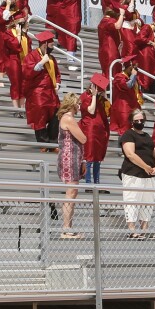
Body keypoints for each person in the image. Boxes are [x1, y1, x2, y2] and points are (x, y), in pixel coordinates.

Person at [119, 105, 155, 238]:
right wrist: (145, 166)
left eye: (142, 120)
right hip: (134, 173)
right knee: (132, 200)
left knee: (147, 202)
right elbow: (130, 154)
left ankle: (144, 229)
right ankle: (132, 230)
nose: (140, 122)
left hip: (149, 175)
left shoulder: (147, 135)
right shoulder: (128, 134)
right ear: (132, 121)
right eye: (137, 120)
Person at [24, 31, 62, 149]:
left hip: (51, 92)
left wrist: (58, 84)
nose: (53, 47)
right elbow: (27, 72)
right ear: (45, 44)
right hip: (38, 92)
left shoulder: (52, 58)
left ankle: (53, 141)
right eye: (51, 45)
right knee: (39, 116)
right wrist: (41, 63)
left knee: (57, 114)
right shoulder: (32, 56)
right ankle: (43, 143)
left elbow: (57, 74)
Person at [57, 94, 87, 238]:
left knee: (73, 193)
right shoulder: (68, 118)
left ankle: (68, 226)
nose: (79, 106)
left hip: (74, 157)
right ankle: (66, 228)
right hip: (70, 157)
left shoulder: (69, 118)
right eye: (78, 103)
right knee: (71, 192)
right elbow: (83, 138)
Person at [80, 74, 113, 184]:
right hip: (89, 129)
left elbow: (109, 113)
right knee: (89, 155)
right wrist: (94, 96)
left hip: (100, 130)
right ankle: (88, 182)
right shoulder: (85, 96)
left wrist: (104, 97)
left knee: (98, 157)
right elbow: (91, 110)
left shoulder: (100, 99)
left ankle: (97, 182)